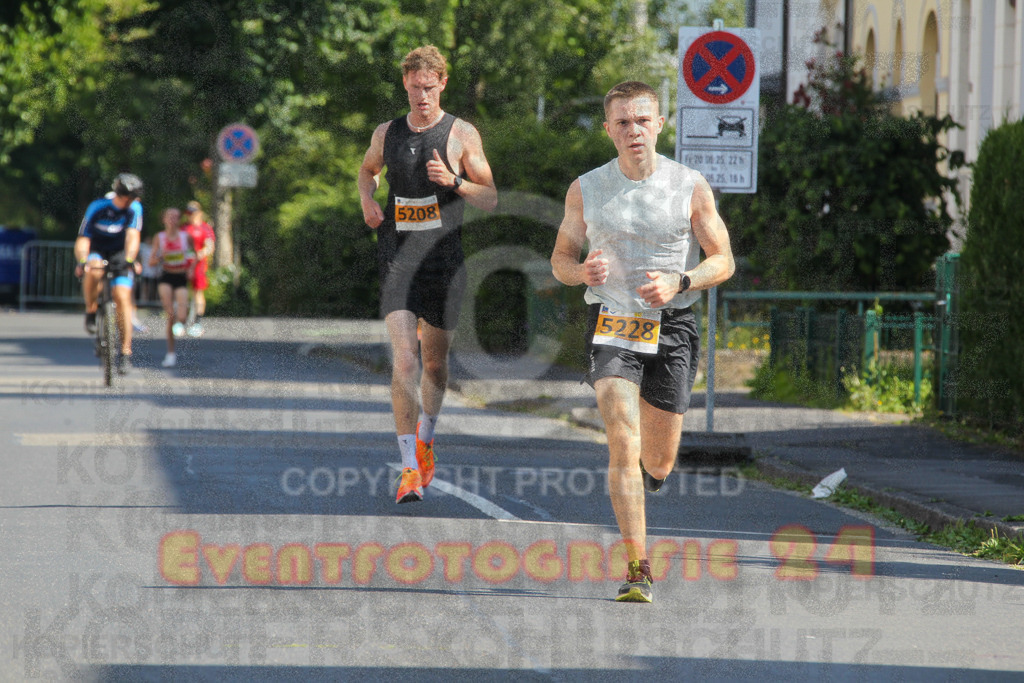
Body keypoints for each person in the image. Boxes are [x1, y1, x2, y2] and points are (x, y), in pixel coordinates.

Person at [550, 81, 735, 603]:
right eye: (623, 122)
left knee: (658, 460)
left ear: (659, 124)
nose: (634, 130)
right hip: (613, 321)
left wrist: (681, 281)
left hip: (672, 323)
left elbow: (723, 260)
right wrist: (582, 270)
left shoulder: (689, 184)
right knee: (622, 440)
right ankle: (638, 568)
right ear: (608, 129)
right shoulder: (585, 188)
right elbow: (560, 260)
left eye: (642, 120)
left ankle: (648, 479)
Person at [358, 45, 497, 504]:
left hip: (443, 258)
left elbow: (491, 198)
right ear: (405, 85)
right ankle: (407, 469)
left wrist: (454, 181)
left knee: (435, 363)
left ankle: (426, 438)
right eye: (414, 87)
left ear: (442, 84)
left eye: (429, 87)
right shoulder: (387, 132)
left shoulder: (461, 135)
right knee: (404, 360)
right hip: (397, 253)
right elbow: (367, 171)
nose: (422, 95)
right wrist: (368, 200)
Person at [74, 173, 145, 375]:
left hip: (120, 252)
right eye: (128, 198)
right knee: (94, 268)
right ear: (119, 195)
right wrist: (82, 260)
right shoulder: (98, 207)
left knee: (122, 297)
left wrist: (130, 259)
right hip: (97, 248)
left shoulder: (134, 209)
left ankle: (125, 352)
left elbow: (133, 237)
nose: (131, 202)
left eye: (134, 199)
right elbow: (83, 239)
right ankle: (91, 309)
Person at [149, 207, 195, 368]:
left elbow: (193, 255)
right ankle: (170, 353)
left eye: (176, 217)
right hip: (166, 276)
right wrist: (161, 257)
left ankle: (181, 319)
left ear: (179, 220)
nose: (172, 220)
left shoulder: (185, 237)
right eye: (169, 217)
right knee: (170, 316)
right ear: (164, 220)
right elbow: (151, 261)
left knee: (181, 316)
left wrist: (190, 269)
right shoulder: (159, 237)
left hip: (181, 276)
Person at [182, 200, 215, 337]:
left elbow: (209, 246)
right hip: (183, 265)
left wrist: (200, 254)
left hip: (198, 265)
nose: (191, 215)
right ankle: (182, 321)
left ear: (199, 213)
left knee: (197, 293)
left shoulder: (205, 228)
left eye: (193, 212)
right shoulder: (183, 228)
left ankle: (197, 322)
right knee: (182, 292)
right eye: (188, 213)